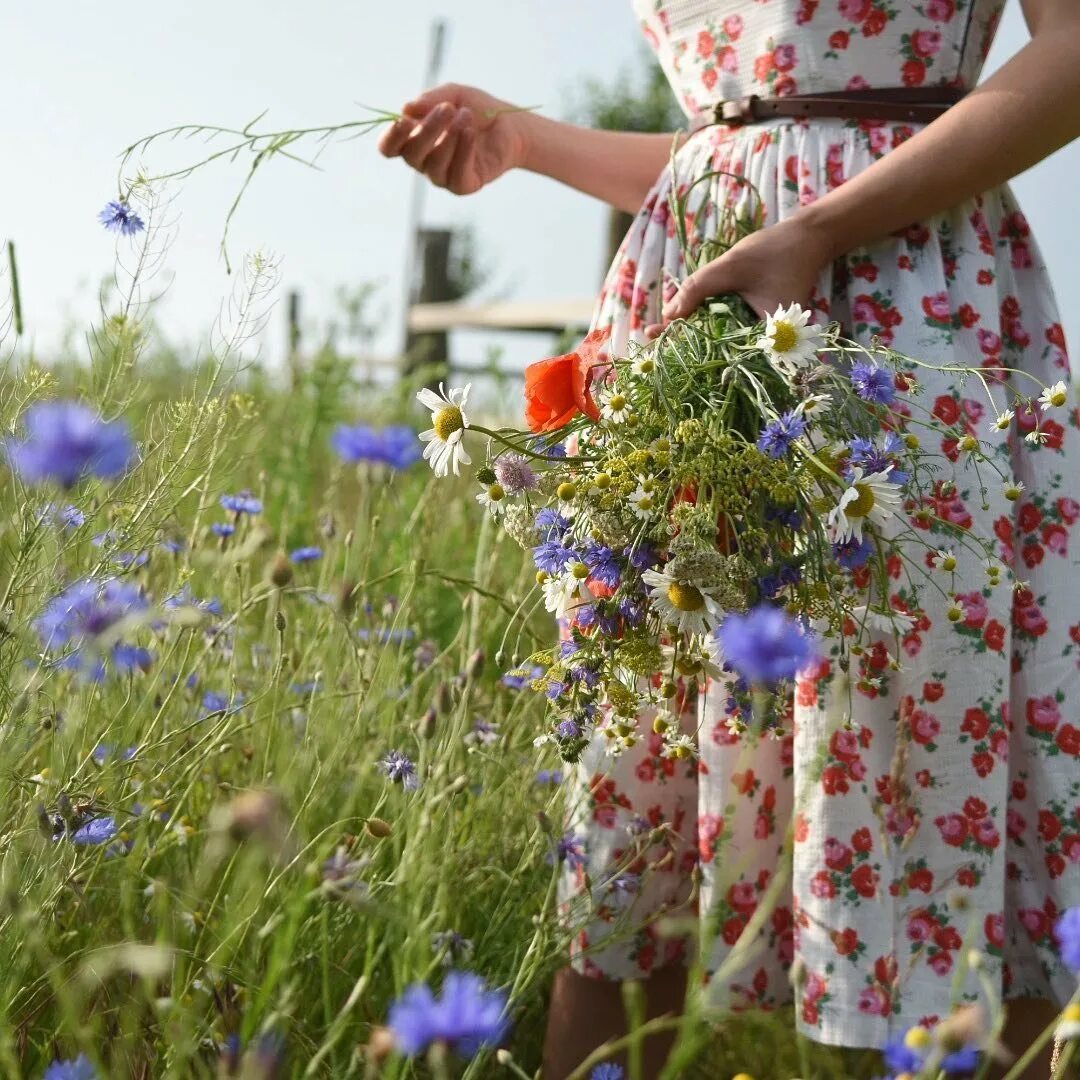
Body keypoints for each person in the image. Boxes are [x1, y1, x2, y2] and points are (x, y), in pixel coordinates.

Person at [381, 1, 1080, 1075]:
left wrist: (822, 229)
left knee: (918, 765)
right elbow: (741, 145)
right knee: (636, 784)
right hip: (690, 320)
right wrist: (525, 140)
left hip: (898, 317)